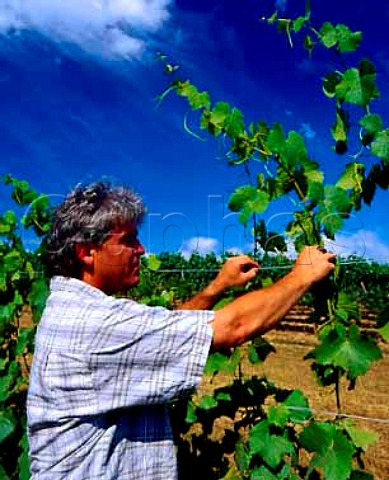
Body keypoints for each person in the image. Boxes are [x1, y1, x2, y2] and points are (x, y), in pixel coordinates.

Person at [27, 180, 335, 480]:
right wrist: (302, 276)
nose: (142, 249)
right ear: (86, 252)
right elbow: (234, 327)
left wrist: (217, 287)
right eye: (128, 240)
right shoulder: (92, 324)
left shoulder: (74, 312)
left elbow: (160, 335)